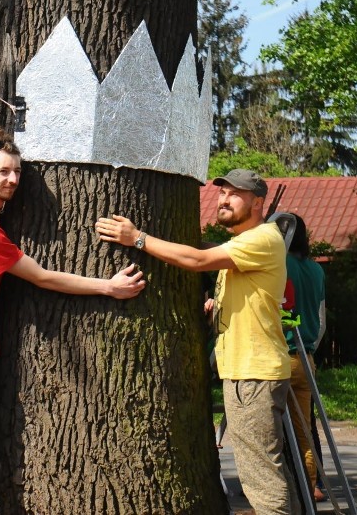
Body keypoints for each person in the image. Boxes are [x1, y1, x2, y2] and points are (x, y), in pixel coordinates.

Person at [0, 128, 145, 515]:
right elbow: (42, 276)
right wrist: (108, 287)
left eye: (17, 171)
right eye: (3, 171)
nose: (13, 179)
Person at [95, 168, 300, 515]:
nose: (224, 199)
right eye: (222, 192)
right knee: (267, 470)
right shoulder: (243, 245)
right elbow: (210, 255)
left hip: (253, 373)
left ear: (257, 203)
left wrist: (139, 238)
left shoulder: (262, 238)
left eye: (235, 194)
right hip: (249, 371)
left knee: (259, 476)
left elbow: (198, 259)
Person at [283, 213, 327, 502]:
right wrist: (310, 348)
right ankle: (309, 491)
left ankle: (281, 498)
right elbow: (322, 322)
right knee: (305, 434)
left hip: (280, 353)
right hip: (306, 356)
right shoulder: (316, 270)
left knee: (268, 434)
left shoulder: (280, 263)